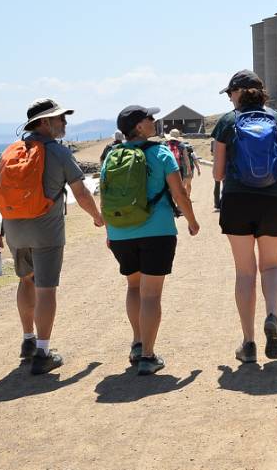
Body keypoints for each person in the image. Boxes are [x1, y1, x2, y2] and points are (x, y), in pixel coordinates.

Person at [0, 98, 104, 375]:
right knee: (46, 287)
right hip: (46, 232)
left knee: (26, 281)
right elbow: (81, 193)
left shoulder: (9, 153)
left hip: (14, 229)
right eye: (60, 118)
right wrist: (97, 217)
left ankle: (27, 341)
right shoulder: (58, 153)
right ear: (44, 123)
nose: (64, 123)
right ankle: (43, 351)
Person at [101, 105, 200, 375]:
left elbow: (105, 198)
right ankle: (147, 356)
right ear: (140, 127)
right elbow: (179, 193)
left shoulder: (111, 156)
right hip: (157, 232)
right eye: (149, 118)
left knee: (134, 287)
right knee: (151, 294)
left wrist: (109, 232)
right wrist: (192, 221)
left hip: (121, 233)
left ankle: (136, 342)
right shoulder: (161, 152)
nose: (155, 121)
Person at [212, 70, 277, 363]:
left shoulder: (226, 122)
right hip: (273, 200)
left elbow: (218, 173)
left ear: (238, 93)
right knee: (271, 266)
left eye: (230, 93)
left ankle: (248, 343)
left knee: (245, 272)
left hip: (236, 200)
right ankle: (271, 314)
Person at [165, 128, 200, 198]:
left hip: (167, 168)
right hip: (178, 168)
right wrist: (189, 169)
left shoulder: (165, 144)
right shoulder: (181, 145)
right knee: (179, 186)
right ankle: (178, 203)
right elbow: (186, 159)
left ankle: (170, 202)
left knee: (169, 186)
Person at [211, 138, 222, 212]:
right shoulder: (226, 138)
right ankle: (224, 202)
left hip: (216, 164)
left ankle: (216, 203)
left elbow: (212, 153)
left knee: (217, 184)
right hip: (225, 164)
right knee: (225, 184)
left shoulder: (213, 142)